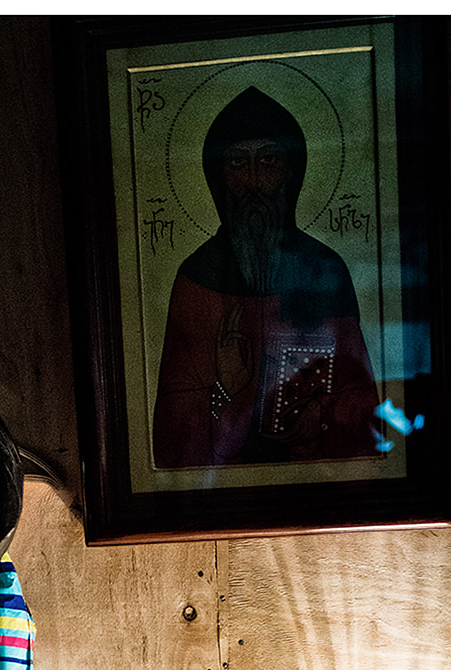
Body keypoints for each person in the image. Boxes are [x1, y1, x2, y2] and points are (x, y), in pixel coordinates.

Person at [152, 85, 380, 468]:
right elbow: (173, 437)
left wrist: (320, 417)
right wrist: (227, 389)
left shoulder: (325, 270)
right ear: (219, 175)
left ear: (291, 171)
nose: (254, 182)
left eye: (268, 160)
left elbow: (360, 401)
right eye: (238, 163)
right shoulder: (196, 279)